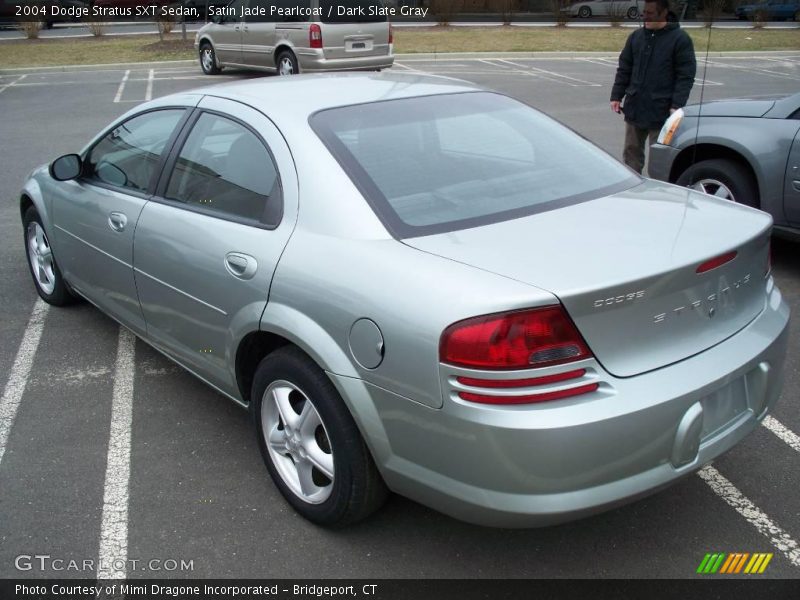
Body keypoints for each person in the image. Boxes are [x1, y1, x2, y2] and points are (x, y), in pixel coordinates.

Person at [610, 0, 696, 175]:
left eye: (651, 13)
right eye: (644, 13)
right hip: (635, 107)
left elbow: (685, 76)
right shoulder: (636, 37)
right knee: (631, 153)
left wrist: (676, 105)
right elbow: (625, 68)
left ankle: (658, 192)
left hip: (662, 111)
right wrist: (616, 96)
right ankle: (632, 188)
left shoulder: (680, 39)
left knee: (660, 159)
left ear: (663, 13)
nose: (646, 17)